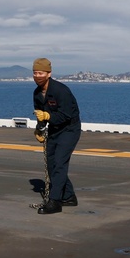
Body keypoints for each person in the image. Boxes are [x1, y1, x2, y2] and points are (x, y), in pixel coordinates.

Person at [32, 58, 81, 214]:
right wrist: (39, 129)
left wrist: (48, 116)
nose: (37, 76)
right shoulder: (37, 93)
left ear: (49, 73)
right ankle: (69, 197)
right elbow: (40, 115)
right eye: (35, 73)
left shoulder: (61, 91)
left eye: (41, 73)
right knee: (52, 164)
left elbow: (66, 115)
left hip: (69, 129)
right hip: (54, 129)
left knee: (60, 163)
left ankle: (55, 202)